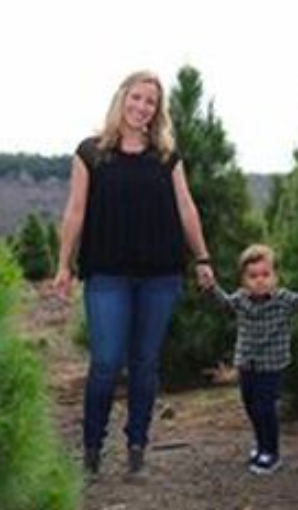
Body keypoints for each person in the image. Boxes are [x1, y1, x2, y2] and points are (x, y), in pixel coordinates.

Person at [54, 70, 214, 477]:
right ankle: (91, 448)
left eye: (151, 103)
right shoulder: (91, 152)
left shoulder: (166, 156)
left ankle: (137, 447)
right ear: (122, 98)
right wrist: (63, 265)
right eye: (137, 98)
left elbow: (186, 207)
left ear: (157, 112)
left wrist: (203, 258)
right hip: (107, 274)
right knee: (106, 362)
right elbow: (75, 210)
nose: (142, 107)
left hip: (160, 275)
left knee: (144, 363)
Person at [207, 244, 298, 475]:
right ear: (243, 280)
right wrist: (211, 288)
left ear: (275, 276)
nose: (260, 280)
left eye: (265, 275)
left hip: (271, 366)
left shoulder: (283, 300)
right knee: (250, 406)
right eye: (253, 276)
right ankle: (261, 445)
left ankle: (271, 452)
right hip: (246, 363)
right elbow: (224, 304)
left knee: (265, 408)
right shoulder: (241, 300)